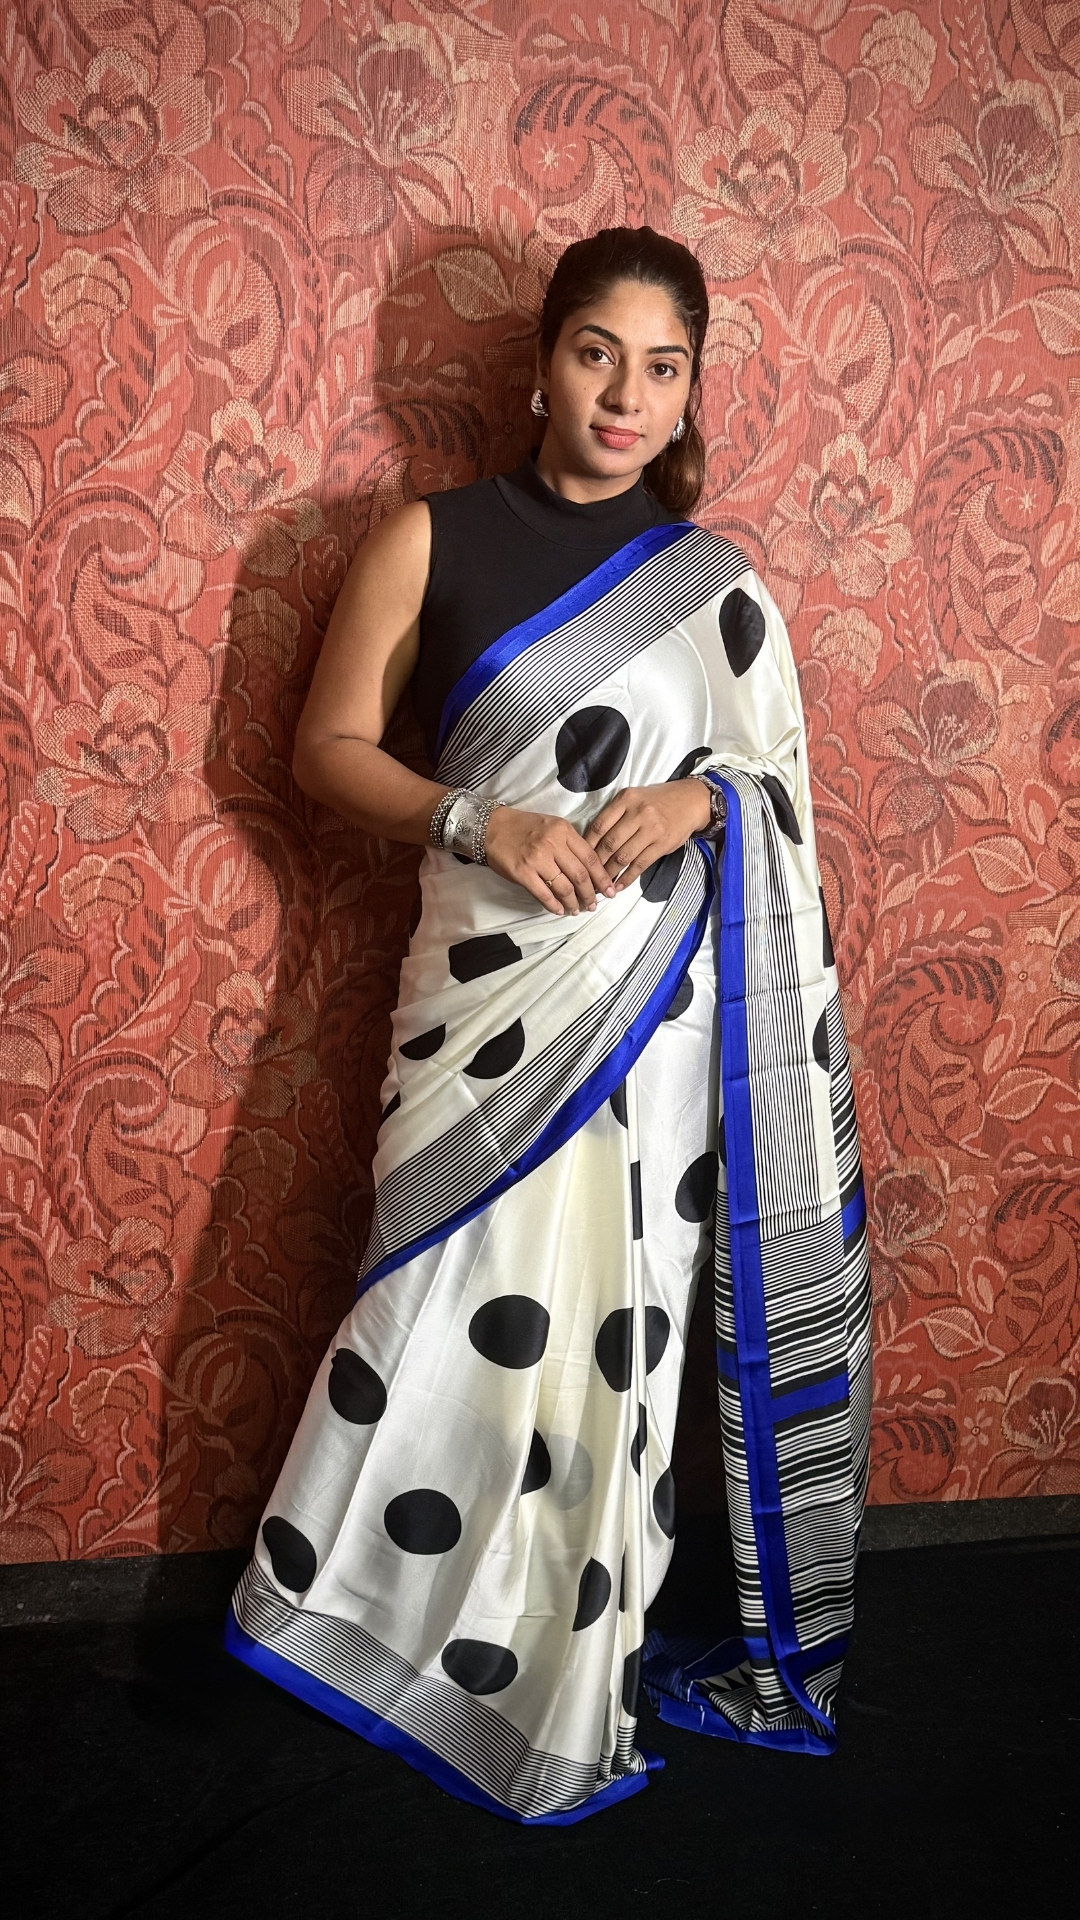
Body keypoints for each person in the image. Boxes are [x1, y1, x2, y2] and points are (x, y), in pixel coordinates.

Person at [226, 226, 872, 1824]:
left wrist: (707, 801)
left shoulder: (717, 592)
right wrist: (481, 822)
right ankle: (381, 1623)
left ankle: (569, 1666)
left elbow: (778, 794)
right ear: (541, 366)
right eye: (597, 355)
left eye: (663, 368)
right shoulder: (429, 537)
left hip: (647, 1031)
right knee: (446, 1306)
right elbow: (326, 750)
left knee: (613, 1332)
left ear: (691, 391)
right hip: (481, 1008)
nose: (625, 395)